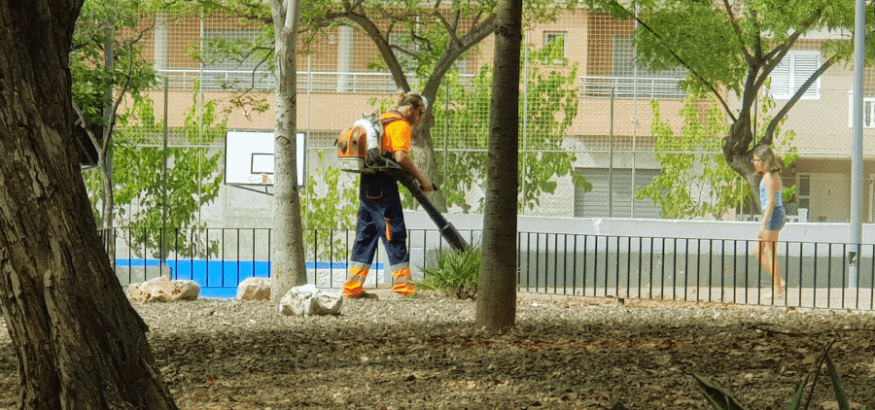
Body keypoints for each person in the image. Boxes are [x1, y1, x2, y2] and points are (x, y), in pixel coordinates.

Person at [343, 91, 435, 298]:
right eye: (420, 114)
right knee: (394, 232)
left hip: (368, 184)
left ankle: (352, 288)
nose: (419, 119)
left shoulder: (383, 120)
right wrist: (422, 179)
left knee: (365, 236)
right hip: (384, 185)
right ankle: (403, 288)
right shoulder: (401, 125)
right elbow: (401, 157)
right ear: (410, 109)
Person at [752, 145, 785, 299]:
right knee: (758, 251)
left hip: (773, 214)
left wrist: (763, 224)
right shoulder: (770, 175)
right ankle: (778, 281)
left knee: (770, 252)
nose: (754, 163)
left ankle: (777, 289)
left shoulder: (769, 177)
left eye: (757, 160)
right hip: (774, 214)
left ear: (765, 161)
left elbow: (771, 202)